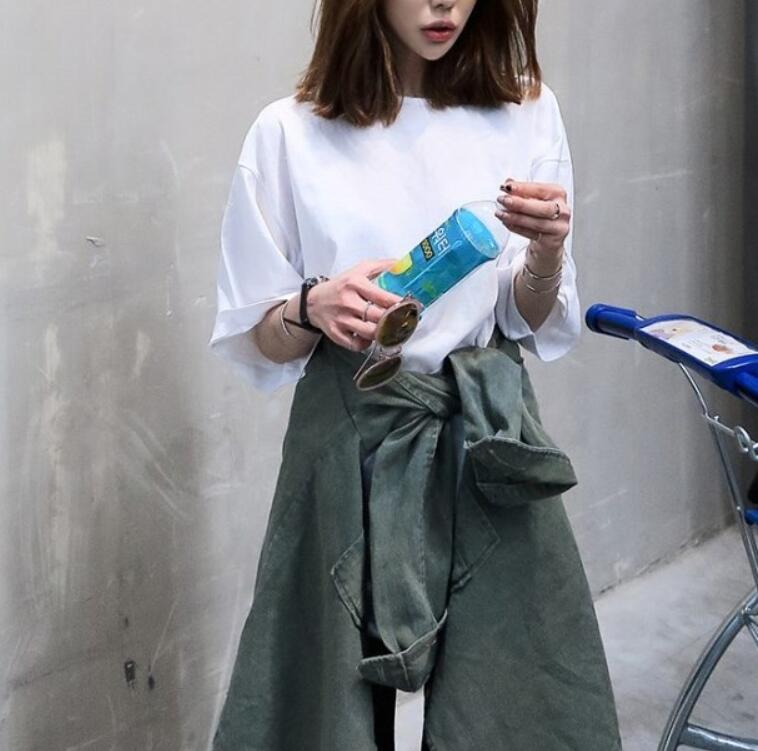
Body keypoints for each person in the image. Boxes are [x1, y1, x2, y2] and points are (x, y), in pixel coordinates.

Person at [208, 0, 622, 748]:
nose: (445, 4)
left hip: (487, 434)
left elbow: (524, 316)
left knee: (523, 705)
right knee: (314, 710)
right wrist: (312, 305)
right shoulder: (289, 133)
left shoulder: (526, 114)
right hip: (349, 434)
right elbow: (262, 338)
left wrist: (548, 251)